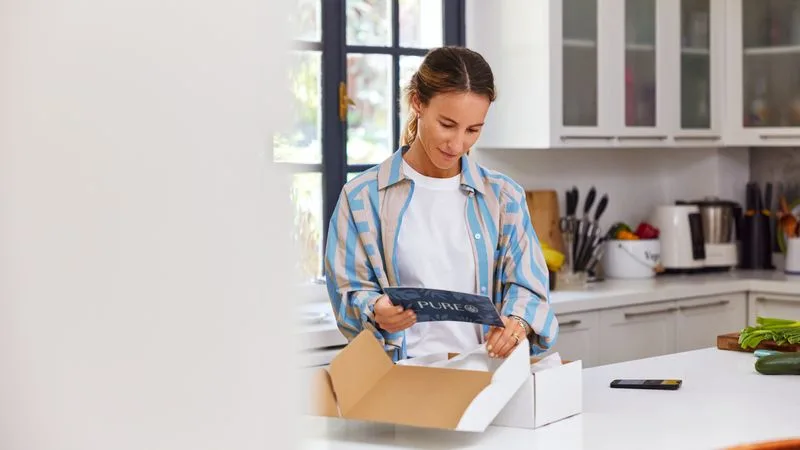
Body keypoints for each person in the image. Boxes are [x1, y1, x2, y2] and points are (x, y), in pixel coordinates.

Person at [324, 46, 558, 362]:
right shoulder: (362, 198)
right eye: (447, 124)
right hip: (401, 383)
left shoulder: (504, 197)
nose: (458, 143)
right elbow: (347, 292)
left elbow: (529, 288)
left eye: (473, 129)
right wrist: (375, 310)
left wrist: (516, 323)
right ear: (418, 102)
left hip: (487, 380)